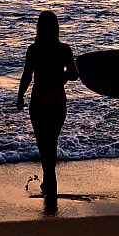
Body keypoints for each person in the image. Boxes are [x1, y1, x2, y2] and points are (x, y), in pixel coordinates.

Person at [17, 11, 78, 196]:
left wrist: (20, 96)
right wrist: (63, 76)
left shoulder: (33, 49)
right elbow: (75, 75)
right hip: (58, 101)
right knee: (51, 142)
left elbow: (27, 75)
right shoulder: (64, 49)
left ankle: (50, 180)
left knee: (44, 144)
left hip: (39, 101)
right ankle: (49, 180)